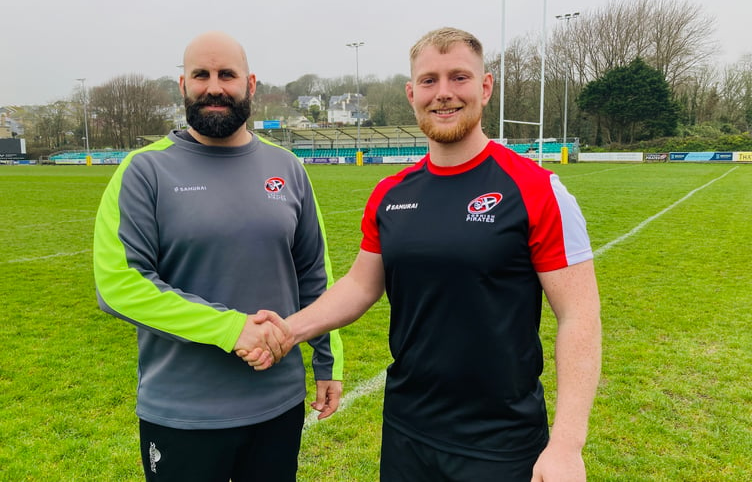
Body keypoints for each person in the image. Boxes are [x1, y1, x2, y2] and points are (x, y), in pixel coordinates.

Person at [241, 27, 601, 481]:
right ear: (412, 93)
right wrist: (289, 330)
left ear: (485, 87)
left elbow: (579, 315)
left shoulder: (537, 190)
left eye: (459, 78)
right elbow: (359, 285)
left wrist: (567, 443)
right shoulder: (390, 194)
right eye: (429, 80)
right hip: (407, 431)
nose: (444, 93)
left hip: (500, 440)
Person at [93, 30, 343, 482]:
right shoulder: (143, 171)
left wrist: (327, 361)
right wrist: (232, 329)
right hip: (183, 413)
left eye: (227, 74)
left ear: (250, 85)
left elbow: (313, 274)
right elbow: (120, 285)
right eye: (201, 75)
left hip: (278, 404)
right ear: (182, 86)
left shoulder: (288, 169)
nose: (214, 87)